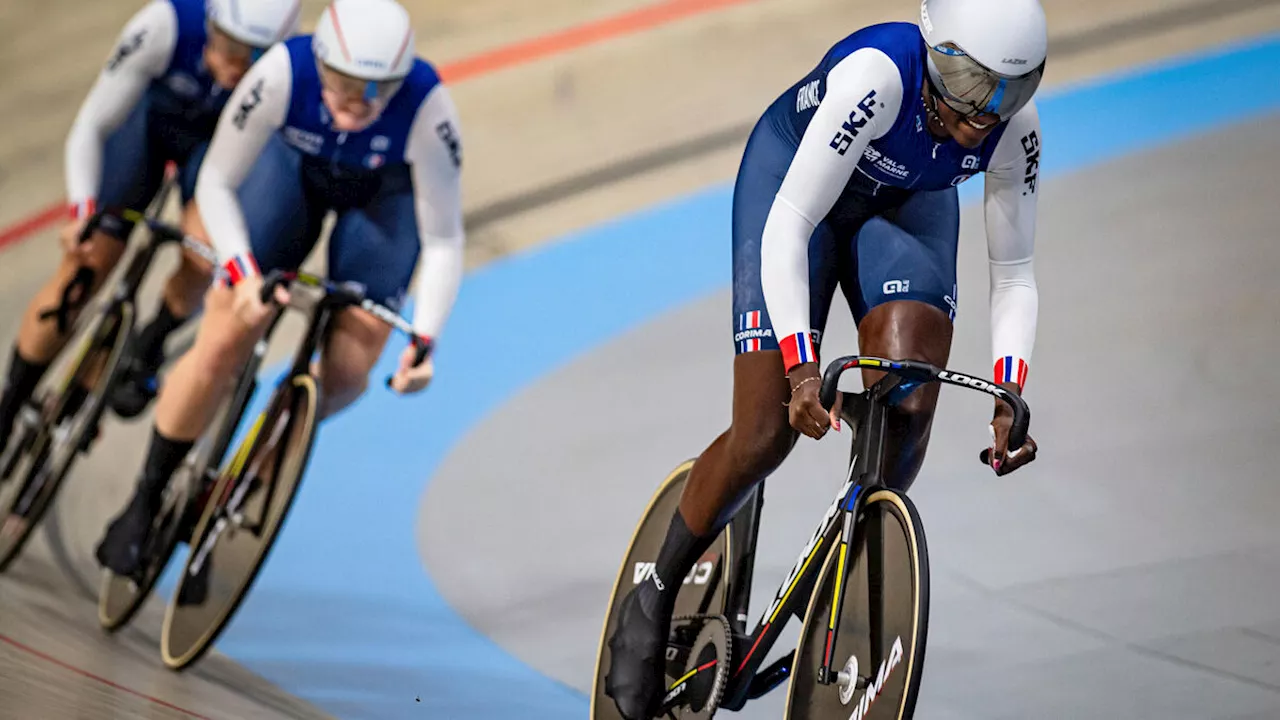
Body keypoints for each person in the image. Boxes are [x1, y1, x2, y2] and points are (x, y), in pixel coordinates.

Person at [604, 0, 1046, 716]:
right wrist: (803, 366)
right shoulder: (877, 80)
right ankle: (652, 599)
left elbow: (1016, 271)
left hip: (904, 205)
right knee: (765, 432)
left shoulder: (1011, 131)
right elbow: (791, 225)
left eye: (1013, 90)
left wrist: (1008, 389)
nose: (989, 110)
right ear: (938, 56)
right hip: (795, 196)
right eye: (975, 86)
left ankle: (830, 578)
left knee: (909, 404)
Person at [94, 0, 466, 577]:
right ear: (320, 64)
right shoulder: (279, 74)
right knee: (225, 332)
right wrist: (241, 272)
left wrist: (425, 338)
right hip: (291, 171)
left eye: (375, 91)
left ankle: (256, 472)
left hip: (381, 196)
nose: (356, 105)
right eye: (342, 86)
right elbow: (216, 181)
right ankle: (143, 504)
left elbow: (443, 238)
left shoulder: (427, 107)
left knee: (348, 368)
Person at [0, 0, 301, 453]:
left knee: (202, 255)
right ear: (209, 24)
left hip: (216, 154)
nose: (237, 67)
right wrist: (83, 211)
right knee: (87, 260)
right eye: (228, 47)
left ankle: (151, 339)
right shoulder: (165, 23)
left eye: (254, 56)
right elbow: (91, 125)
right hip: (149, 126)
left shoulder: (286, 73)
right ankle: (10, 404)